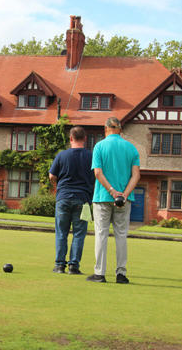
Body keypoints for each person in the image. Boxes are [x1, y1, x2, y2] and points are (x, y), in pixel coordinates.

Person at [87, 117, 140, 284]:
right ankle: (121, 274)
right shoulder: (131, 148)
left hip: (103, 196)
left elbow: (98, 173)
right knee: (121, 235)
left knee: (101, 234)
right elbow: (136, 175)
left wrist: (111, 191)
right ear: (120, 129)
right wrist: (123, 194)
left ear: (105, 129)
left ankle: (99, 273)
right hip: (124, 199)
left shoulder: (99, 146)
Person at [49, 126, 95, 274]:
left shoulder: (61, 155)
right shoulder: (91, 156)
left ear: (70, 138)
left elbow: (51, 176)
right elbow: (97, 174)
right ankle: (74, 266)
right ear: (85, 139)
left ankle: (59, 265)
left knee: (61, 232)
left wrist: (58, 184)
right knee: (79, 233)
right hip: (83, 200)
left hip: (63, 197)